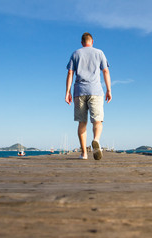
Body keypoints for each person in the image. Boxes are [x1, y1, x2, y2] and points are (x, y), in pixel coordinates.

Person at [65, 32, 112, 160]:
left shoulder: (75, 53)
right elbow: (106, 71)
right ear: (92, 41)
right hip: (95, 90)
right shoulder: (99, 53)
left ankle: (84, 154)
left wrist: (67, 92)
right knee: (97, 120)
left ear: (82, 42)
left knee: (82, 122)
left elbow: (70, 73)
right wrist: (109, 90)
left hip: (79, 91)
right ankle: (96, 140)